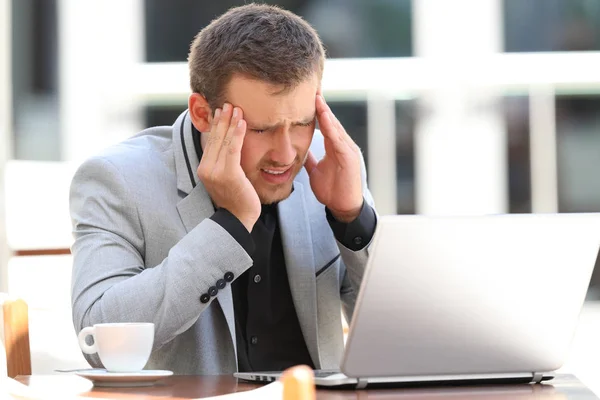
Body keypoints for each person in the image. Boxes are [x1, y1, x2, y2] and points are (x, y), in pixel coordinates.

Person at [69, 3, 377, 375]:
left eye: (302, 122)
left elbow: (397, 331)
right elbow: (96, 337)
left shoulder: (328, 164)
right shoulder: (116, 180)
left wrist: (352, 218)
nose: (285, 154)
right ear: (202, 113)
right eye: (261, 129)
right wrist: (230, 225)